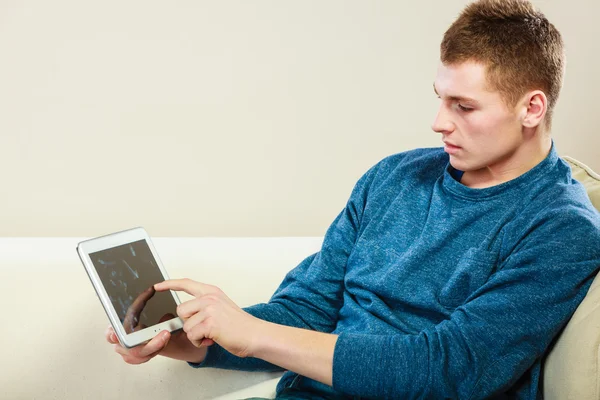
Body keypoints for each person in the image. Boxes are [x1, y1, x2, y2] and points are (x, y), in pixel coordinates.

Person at [106, 0, 600, 398]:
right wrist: (182, 341)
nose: (439, 122)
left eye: (464, 106)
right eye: (440, 97)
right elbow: (307, 310)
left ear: (531, 107)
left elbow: (453, 370)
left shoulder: (562, 227)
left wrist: (252, 332)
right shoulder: (394, 177)